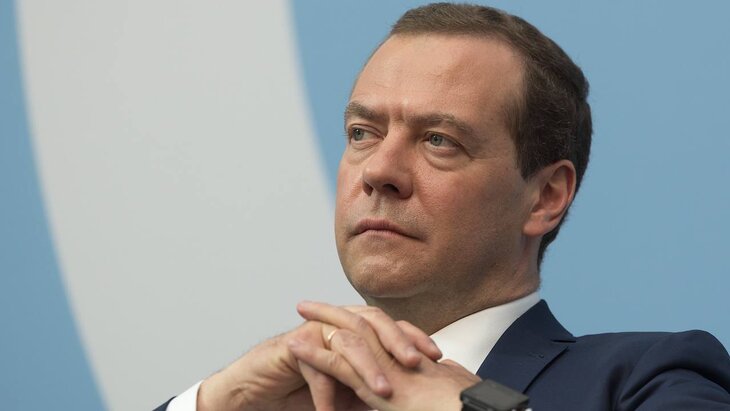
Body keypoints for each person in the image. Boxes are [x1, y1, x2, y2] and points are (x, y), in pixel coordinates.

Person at [157, 3, 730, 410]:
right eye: (362, 133)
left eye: (439, 141)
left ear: (545, 196)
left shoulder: (647, 379)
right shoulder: (277, 398)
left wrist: (469, 407)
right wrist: (216, 401)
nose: (378, 171)